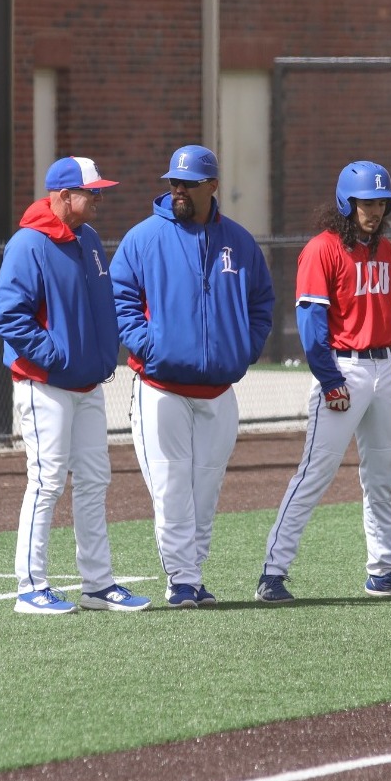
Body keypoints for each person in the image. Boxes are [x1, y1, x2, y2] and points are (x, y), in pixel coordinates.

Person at [256, 160, 391, 604]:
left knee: (382, 478)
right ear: (346, 202)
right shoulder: (322, 249)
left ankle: (384, 572)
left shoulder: (385, 251)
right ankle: (271, 575)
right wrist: (329, 379)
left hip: (383, 371)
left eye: (380, 202)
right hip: (344, 369)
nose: (374, 211)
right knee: (314, 474)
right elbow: (311, 326)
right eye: (365, 202)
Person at [111, 145, 275, 608]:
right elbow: (121, 300)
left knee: (205, 488)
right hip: (160, 388)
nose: (177, 190)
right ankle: (181, 580)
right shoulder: (143, 239)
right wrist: (149, 347)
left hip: (219, 389)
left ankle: (193, 575)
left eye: (187, 184)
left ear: (212, 187)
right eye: (173, 183)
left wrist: (245, 348)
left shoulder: (239, 242)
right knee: (170, 488)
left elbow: (262, 302)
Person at [0, 156, 151, 615]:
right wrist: (55, 356)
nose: (99, 198)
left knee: (95, 480)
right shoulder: (29, 244)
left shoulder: (89, 239)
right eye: (91, 192)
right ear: (63, 196)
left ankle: (97, 585)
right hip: (45, 385)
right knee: (46, 481)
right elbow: (6, 314)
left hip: (86, 385)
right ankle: (29, 587)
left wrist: (97, 358)